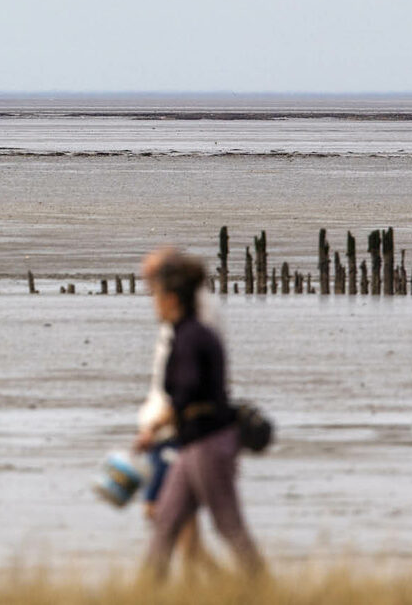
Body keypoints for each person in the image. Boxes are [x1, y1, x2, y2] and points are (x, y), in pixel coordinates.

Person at [137, 252, 264, 581]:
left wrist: (155, 426)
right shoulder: (183, 332)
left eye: (157, 295)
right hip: (190, 441)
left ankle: (263, 588)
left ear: (172, 298)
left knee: (228, 524)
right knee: (165, 521)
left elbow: (187, 392)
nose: (154, 303)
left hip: (208, 441)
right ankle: (144, 592)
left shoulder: (194, 336)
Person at [136, 248, 222, 580]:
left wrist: (159, 424)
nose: (150, 292)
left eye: (153, 282)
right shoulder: (179, 319)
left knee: (161, 512)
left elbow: (188, 384)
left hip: (177, 430)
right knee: (181, 523)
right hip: (173, 427)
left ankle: (237, 588)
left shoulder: (193, 321)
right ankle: (209, 588)